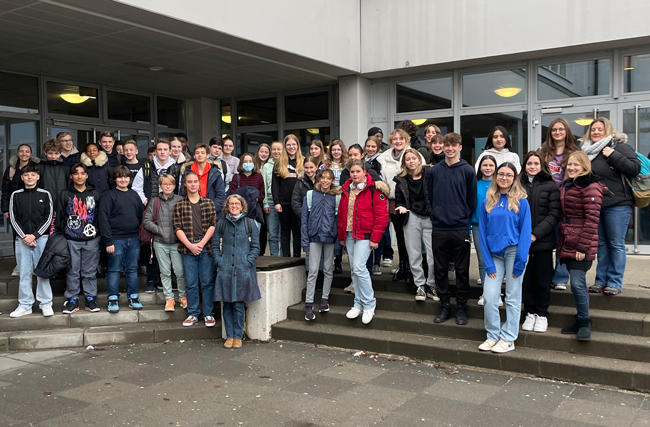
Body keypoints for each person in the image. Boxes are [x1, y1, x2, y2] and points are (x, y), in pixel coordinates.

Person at [581, 118, 640, 296]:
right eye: (593, 130)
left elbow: (634, 168)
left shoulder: (618, 147)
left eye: (600, 129)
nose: (596, 132)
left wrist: (612, 155)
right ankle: (600, 280)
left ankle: (614, 281)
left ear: (608, 130)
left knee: (616, 244)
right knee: (601, 244)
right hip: (595, 204)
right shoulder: (587, 152)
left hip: (618, 204)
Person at [478, 162, 531, 353]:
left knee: (512, 296)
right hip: (494, 255)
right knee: (490, 296)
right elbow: (482, 235)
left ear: (514, 178)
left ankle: (508, 337)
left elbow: (525, 233)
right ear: (496, 176)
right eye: (501, 174)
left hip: (514, 253)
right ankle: (493, 335)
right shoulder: (487, 202)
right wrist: (488, 265)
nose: (504, 178)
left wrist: (520, 263)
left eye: (509, 175)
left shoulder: (521, 201)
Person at [427, 133, 477, 325]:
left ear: (459, 147)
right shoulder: (434, 171)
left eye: (452, 145)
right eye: (445, 145)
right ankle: (445, 305)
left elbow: (471, 200)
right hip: (439, 227)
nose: (449, 148)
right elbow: (430, 197)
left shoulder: (468, 171)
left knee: (462, 270)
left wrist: (464, 219)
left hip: (460, 228)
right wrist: (436, 215)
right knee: (440, 269)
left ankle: (461, 307)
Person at [558, 151, 604, 341]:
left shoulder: (591, 186)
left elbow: (592, 220)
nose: (572, 168)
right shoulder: (569, 184)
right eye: (569, 165)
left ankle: (585, 321)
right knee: (575, 283)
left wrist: (582, 248)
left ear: (585, 166)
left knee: (577, 283)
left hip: (580, 243)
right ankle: (580, 318)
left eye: (576, 165)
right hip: (568, 238)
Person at [339, 160, 389, 324]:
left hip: (365, 235)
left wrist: (375, 238)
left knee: (360, 268)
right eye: (352, 172)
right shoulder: (346, 189)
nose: (354, 175)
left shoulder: (374, 189)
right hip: (349, 234)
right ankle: (358, 303)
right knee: (354, 269)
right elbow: (341, 214)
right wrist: (341, 236)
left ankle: (369, 303)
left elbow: (382, 217)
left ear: (364, 171)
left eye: (357, 171)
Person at [519, 151, 561, 333]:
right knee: (526, 280)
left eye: (536, 163)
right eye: (529, 163)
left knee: (543, 279)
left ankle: (542, 314)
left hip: (542, 241)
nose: (533, 166)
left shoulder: (551, 186)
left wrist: (535, 234)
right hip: (521, 242)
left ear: (541, 165)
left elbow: (554, 215)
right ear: (525, 165)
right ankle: (529, 312)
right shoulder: (517, 185)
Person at [213, 194, 261, 348]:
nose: (234, 206)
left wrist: (248, 261)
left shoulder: (250, 224)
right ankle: (229, 335)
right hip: (226, 269)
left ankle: (238, 335)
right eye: (231, 203)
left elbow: (255, 246)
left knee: (239, 304)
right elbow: (215, 246)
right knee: (226, 304)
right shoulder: (221, 224)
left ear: (242, 206)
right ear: (227, 206)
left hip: (242, 269)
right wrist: (220, 261)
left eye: (237, 204)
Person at [378, 129, 425, 284]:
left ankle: (413, 270)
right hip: (393, 199)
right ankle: (403, 266)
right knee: (399, 235)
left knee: (411, 238)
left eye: (401, 139)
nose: (398, 141)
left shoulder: (414, 155)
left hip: (411, 202)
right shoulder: (383, 158)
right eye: (395, 139)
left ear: (406, 140)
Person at [8, 164, 54, 318]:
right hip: (21, 240)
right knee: (25, 273)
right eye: (26, 175)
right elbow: (13, 219)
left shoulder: (45, 194)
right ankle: (25, 304)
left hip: (41, 239)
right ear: (21, 177)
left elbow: (48, 218)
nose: (29, 177)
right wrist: (25, 237)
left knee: (42, 272)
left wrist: (34, 236)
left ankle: (46, 304)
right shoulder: (15, 195)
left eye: (33, 175)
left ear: (38, 177)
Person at [540, 118, 580, 291]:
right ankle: (546, 275)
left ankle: (561, 278)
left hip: (567, 200)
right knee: (547, 240)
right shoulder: (543, 151)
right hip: (547, 200)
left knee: (563, 239)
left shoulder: (575, 151)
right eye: (554, 129)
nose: (557, 132)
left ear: (566, 131)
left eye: (561, 129)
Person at [57, 163, 102, 314]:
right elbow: (59, 216)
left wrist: (98, 231)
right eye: (76, 173)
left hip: (91, 239)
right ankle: (72, 298)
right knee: (72, 270)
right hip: (71, 239)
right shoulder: (65, 194)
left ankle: (90, 298)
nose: (80, 176)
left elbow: (99, 216)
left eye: (83, 173)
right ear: (71, 176)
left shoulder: (94, 194)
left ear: (87, 175)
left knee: (89, 271)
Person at [173, 171, 217, 327]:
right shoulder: (180, 204)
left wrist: (202, 244)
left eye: (195, 181)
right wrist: (190, 245)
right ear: (185, 184)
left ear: (199, 184)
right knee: (191, 282)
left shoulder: (208, 203)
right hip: (187, 249)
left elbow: (213, 224)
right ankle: (193, 313)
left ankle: (208, 314)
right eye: (189, 182)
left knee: (207, 282)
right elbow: (177, 228)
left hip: (206, 248)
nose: (192, 184)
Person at [99, 166, 145, 313]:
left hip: (133, 238)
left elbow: (140, 215)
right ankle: (113, 297)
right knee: (114, 269)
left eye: (126, 177)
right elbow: (103, 219)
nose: (123, 179)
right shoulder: (109, 196)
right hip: (115, 239)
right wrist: (108, 240)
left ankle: (133, 296)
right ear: (115, 179)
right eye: (120, 177)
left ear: (129, 178)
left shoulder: (134, 195)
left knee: (132, 269)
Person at [394, 148, 437, 301]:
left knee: (433, 255)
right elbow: (399, 198)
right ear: (404, 163)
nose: (411, 161)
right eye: (408, 159)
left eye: (414, 158)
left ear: (419, 160)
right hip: (411, 216)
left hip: (430, 218)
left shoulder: (430, 174)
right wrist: (400, 206)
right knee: (414, 254)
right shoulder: (400, 179)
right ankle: (420, 285)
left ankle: (431, 284)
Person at [144, 174, 186, 311]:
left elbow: (186, 219)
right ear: (161, 186)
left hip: (177, 242)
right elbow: (147, 221)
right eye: (165, 184)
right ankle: (169, 298)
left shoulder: (180, 200)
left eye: (170, 184)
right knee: (165, 271)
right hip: (160, 242)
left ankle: (183, 296)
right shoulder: (155, 201)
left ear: (174, 186)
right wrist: (160, 230)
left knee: (180, 271)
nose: (168, 186)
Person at [302, 169, 340, 321]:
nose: (325, 181)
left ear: (332, 181)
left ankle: (324, 299)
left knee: (328, 269)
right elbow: (304, 220)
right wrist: (305, 242)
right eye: (323, 178)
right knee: (312, 271)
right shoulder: (310, 195)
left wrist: (338, 244)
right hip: (314, 237)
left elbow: (339, 222)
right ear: (318, 179)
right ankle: (309, 302)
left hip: (330, 237)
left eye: (328, 178)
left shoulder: (336, 197)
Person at [272, 134, 304, 257]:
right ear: (285, 146)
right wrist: (276, 202)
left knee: (297, 232)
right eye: (288, 144)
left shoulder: (303, 161)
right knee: (284, 232)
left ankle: (296, 257)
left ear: (297, 146)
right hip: (283, 203)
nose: (291, 147)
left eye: (293, 144)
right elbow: (274, 185)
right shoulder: (279, 163)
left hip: (298, 204)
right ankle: (285, 258)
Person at [472, 155, 499, 305]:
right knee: (483, 261)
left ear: (495, 167)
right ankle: (486, 293)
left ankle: (497, 294)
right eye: (485, 165)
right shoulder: (475, 184)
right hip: (477, 226)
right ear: (480, 167)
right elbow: (471, 206)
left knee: (497, 259)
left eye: (491, 165)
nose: (488, 168)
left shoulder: (500, 184)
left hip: (497, 228)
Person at [365, 136, 391, 270]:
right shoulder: (362, 161)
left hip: (378, 196)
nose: (370, 149)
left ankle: (377, 262)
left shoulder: (381, 161)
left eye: (373, 147)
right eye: (368, 146)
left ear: (378, 148)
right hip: (366, 199)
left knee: (381, 231)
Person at [179, 143, 226, 219]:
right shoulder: (187, 172)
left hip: (211, 214)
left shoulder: (215, 173)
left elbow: (221, 195)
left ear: (208, 155)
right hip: (192, 213)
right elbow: (182, 193)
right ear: (194, 156)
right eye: (197, 153)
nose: (199, 155)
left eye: (202, 153)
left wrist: (210, 209)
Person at [132, 138, 181, 204]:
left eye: (165, 149)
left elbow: (181, 190)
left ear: (170, 151)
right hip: (151, 208)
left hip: (171, 208)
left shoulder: (177, 169)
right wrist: (145, 201)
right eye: (159, 149)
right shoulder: (146, 168)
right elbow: (136, 188)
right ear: (156, 151)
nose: (162, 152)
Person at [38, 139, 69, 234]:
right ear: (45, 153)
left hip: (63, 205)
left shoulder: (65, 168)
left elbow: (69, 186)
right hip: (45, 205)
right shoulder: (40, 167)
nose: (53, 156)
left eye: (56, 153)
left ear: (60, 153)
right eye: (50, 153)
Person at [263, 141, 283, 257]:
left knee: (284, 233)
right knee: (273, 233)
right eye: (274, 149)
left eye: (278, 149)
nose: (276, 152)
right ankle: (274, 256)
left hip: (283, 202)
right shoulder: (266, 166)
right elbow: (264, 185)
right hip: (270, 202)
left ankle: (283, 257)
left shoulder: (286, 164)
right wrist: (265, 203)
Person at [254, 144, 271, 255]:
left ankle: (262, 252)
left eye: (266, 152)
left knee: (264, 228)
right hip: (255, 202)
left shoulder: (271, 166)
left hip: (266, 201)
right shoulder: (252, 165)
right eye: (261, 151)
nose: (263, 154)